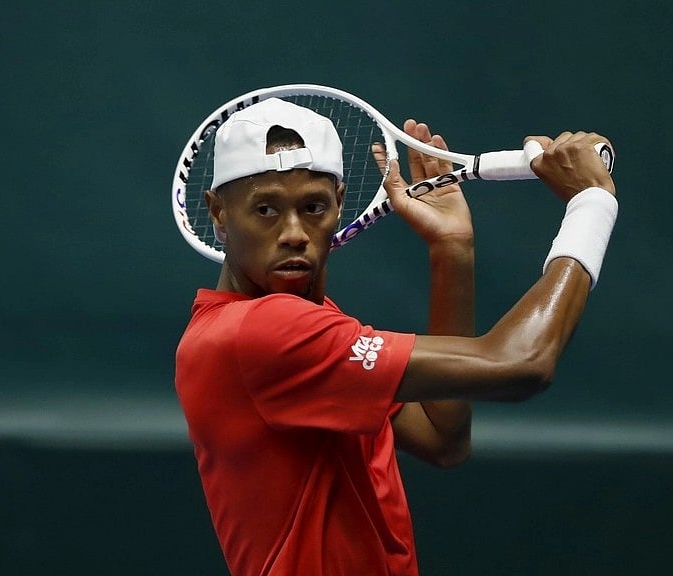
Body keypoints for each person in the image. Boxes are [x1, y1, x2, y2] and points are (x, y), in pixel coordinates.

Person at [174, 98, 617, 576]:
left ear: (340, 205)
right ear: (218, 213)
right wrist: (591, 203)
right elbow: (524, 362)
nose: (294, 233)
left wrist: (451, 250)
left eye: (313, 207)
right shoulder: (262, 333)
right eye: (265, 209)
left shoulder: (305, 321)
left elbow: (442, 438)